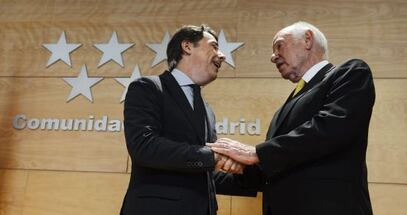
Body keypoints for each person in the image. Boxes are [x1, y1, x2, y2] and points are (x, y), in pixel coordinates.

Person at [208, 21, 375, 215]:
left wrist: (257, 153)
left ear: (307, 40)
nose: (273, 57)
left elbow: (330, 128)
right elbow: (277, 167)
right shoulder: (284, 108)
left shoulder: (349, 73)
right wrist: (235, 168)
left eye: (279, 46)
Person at [119, 24, 247, 215]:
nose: (222, 55)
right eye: (214, 46)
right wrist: (212, 156)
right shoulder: (148, 87)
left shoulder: (207, 110)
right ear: (187, 46)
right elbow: (143, 146)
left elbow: (204, 172)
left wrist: (250, 173)